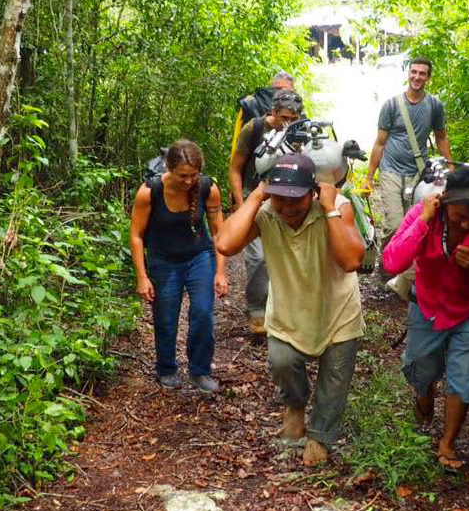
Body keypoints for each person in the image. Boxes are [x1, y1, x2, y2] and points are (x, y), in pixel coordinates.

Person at [216, 153, 365, 466]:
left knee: (334, 381)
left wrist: (329, 208)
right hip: (288, 311)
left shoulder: (337, 208)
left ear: (311, 192)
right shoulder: (267, 212)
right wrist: (256, 195)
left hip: (337, 310)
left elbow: (352, 260)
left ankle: (320, 437)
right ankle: (295, 404)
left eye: (295, 200)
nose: (287, 209)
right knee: (282, 362)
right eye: (279, 199)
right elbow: (226, 244)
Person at [383, 168, 469, 470]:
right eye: (459, 216)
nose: (467, 222)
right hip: (426, 308)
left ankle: (447, 444)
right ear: (444, 202)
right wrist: (423, 220)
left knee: (464, 376)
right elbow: (392, 261)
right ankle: (424, 395)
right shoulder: (426, 213)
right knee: (421, 369)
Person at [130, 140, 229, 393]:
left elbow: (219, 233)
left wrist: (220, 271)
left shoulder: (208, 188)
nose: (188, 181)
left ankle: (200, 370)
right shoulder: (149, 191)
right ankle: (166, 368)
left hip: (199, 256)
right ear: (169, 168)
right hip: (163, 260)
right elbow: (137, 235)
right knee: (165, 318)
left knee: (203, 312)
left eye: (193, 175)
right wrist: (142, 277)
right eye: (182, 175)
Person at [362, 57, 453, 299]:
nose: (417, 77)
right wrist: (369, 177)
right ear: (408, 74)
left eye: (423, 73)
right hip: (391, 171)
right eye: (414, 72)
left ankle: (405, 278)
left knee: (418, 226)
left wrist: (451, 167)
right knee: (394, 225)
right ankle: (389, 267)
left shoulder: (434, 105)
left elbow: (441, 137)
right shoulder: (392, 105)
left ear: (428, 77)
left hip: (419, 174)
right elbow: (380, 142)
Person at [228, 89, 304, 334]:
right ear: (272, 112)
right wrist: (241, 205)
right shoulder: (255, 128)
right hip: (255, 198)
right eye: (284, 117)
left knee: (285, 255)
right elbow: (235, 168)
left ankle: (283, 308)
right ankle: (257, 310)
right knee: (258, 257)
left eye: (294, 118)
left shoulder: (300, 131)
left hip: (287, 203)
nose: (288, 123)